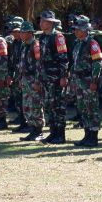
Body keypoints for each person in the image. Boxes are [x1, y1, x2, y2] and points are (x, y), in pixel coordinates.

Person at [70, 18, 102, 148]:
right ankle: (87, 135)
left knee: (92, 109)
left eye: (77, 29)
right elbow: (74, 63)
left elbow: (97, 63)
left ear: (84, 30)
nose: (75, 31)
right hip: (79, 81)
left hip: (89, 81)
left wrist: (95, 80)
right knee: (82, 108)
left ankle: (93, 137)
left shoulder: (92, 43)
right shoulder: (77, 44)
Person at [38, 11, 71, 145]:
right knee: (49, 106)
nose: (41, 23)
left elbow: (63, 59)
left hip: (56, 78)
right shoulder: (42, 38)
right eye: (41, 20)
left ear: (51, 23)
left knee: (58, 106)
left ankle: (60, 134)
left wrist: (63, 76)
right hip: (46, 78)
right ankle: (53, 133)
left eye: (44, 21)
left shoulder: (58, 37)